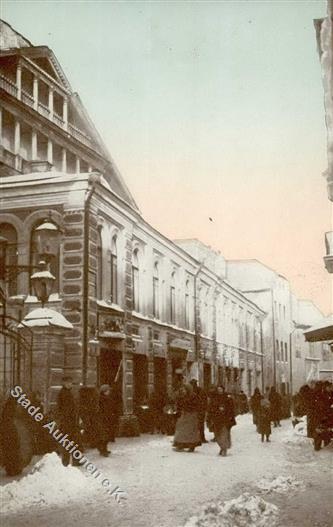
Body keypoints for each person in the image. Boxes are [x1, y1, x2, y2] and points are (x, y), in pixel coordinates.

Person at [56, 375, 81, 466]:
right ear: (64, 383)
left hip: (69, 422)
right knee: (69, 442)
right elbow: (66, 409)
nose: (71, 384)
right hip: (68, 422)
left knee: (73, 441)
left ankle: (73, 461)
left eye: (71, 382)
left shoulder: (67, 392)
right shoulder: (64, 393)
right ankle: (67, 462)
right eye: (69, 382)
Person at [208, 385, 236, 456]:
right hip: (216, 419)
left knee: (224, 434)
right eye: (218, 389)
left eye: (221, 389)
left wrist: (229, 416)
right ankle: (222, 447)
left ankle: (224, 449)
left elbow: (231, 408)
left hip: (225, 419)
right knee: (217, 435)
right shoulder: (215, 398)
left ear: (223, 390)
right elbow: (211, 408)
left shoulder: (227, 398)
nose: (219, 390)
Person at [173, 384, 201, 452]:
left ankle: (191, 445)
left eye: (184, 389)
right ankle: (180, 444)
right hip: (184, 414)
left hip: (191, 415)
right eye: (182, 389)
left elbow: (197, 405)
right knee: (181, 430)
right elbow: (179, 404)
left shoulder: (193, 396)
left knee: (190, 431)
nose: (183, 391)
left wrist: (188, 407)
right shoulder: (182, 396)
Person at [190, 379, 208, 443]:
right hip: (198, 410)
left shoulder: (199, 391)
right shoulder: (199, 390)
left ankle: (200, 438)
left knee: (198, 425)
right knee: (199, 425)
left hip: (198, 410)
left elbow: (204, 400)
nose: (192, 385)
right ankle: (200, 438)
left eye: (193, 384)